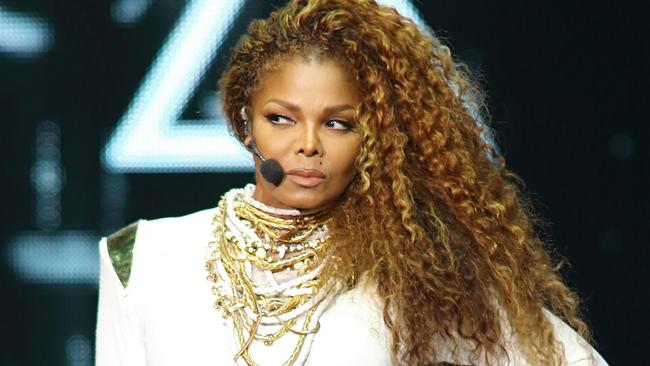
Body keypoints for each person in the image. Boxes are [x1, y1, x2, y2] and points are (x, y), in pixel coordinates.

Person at [95, 0, 609, 365]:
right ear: (242, 119)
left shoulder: (415, 270)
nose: (308, 144)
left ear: (371, 138)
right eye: (282, 118)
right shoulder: (140, 257)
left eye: (338, 123)